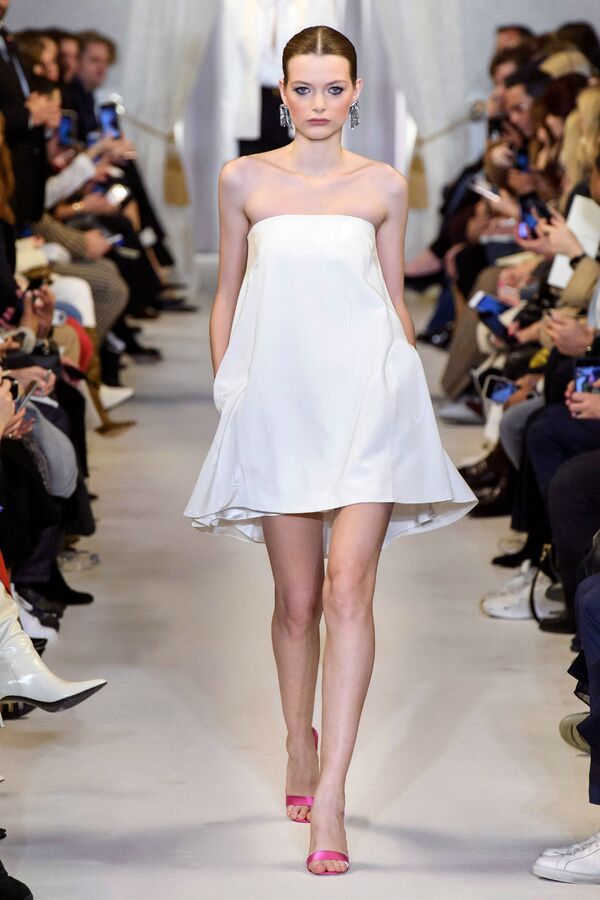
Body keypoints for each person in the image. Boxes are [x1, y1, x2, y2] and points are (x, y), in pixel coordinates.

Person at [184, 24, 476, 876]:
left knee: (350, 590)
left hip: (367, 403)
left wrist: (406, 388)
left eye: (333, 88)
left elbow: (392, 297)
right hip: (279, 403)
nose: (318, 103)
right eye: (303, 88)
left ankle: (335, 794)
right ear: (283, 93)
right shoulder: (242, 178)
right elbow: (228, 291)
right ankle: (296, 741)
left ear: (356, 93)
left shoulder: (382, 184)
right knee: (297, 601)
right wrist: (229, 394)